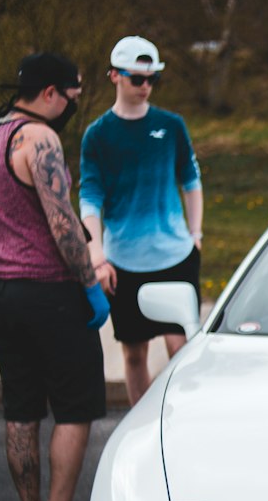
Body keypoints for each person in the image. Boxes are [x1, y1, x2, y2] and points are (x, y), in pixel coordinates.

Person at [0, 51, 109, 501]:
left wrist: (5, 222)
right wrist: (90, 285)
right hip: (47, 293)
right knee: (75, 406)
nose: (72, 105)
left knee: (20, 409)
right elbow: (64, 226)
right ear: (50, 93)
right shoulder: (39, 139)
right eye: (72, 96)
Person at [79, 35, 204, 407]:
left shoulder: (171, 125)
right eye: (138, 78)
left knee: (180, 348)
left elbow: (192, 181)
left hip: (176, 256)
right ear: (114, 76)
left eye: (153, 79)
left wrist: (196, 234)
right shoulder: (98, 135)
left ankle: (180, 417)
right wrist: (97, 255)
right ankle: (143, 422)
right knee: (134, 353)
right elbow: (90, 198)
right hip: (124, 263)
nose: (146, 86)